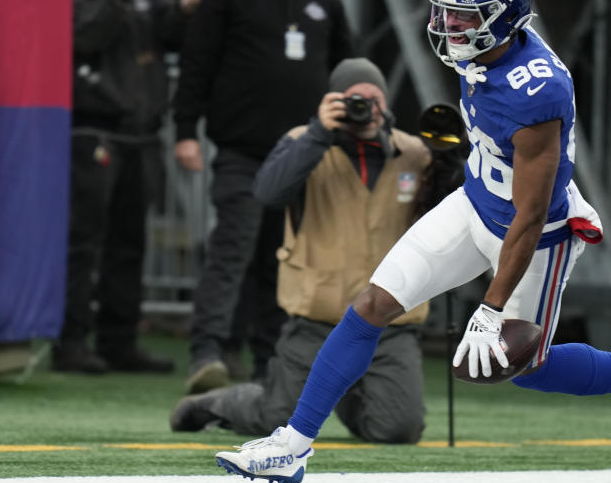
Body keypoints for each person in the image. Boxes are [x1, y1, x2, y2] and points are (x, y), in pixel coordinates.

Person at [211, 0, 611, 483]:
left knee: (527, 368)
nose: (448, 25)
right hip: (475, 202)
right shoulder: (485, 49)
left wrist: (489, 309)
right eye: (445, 11)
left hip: (535, 235)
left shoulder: (538, 91)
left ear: (503, 18)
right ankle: (292, 445)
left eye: (463, 16)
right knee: (372, 304)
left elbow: (531, 211)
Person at [170, 58, 449, 442]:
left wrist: (452, 159)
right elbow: (267, 192)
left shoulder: (415, 152)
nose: (366, 108)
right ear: (333, 100)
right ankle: (214, 404)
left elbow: (448, 208)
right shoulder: (304, 140)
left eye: (374, 99)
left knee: (398, 430)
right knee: (276, 418)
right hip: (318, 315)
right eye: (355, 99)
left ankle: (347, 391)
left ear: (387, 103)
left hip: (389, 321)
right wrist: (320, 132)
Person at [172, 0, 354, 393]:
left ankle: (269, 365)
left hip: (303, 160)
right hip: (243, 155)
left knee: (284, 263)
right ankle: (207, 354)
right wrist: (185, 132)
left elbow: (347, 68)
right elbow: (196, 66)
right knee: (231, 252)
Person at [56, 0, 206, 374]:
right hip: (92, 131)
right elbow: (80, 40)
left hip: (141, 134)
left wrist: (184, 9)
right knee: (84, 243)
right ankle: (70, 343)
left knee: (129, 244)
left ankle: (119, 342)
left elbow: (169, 35)